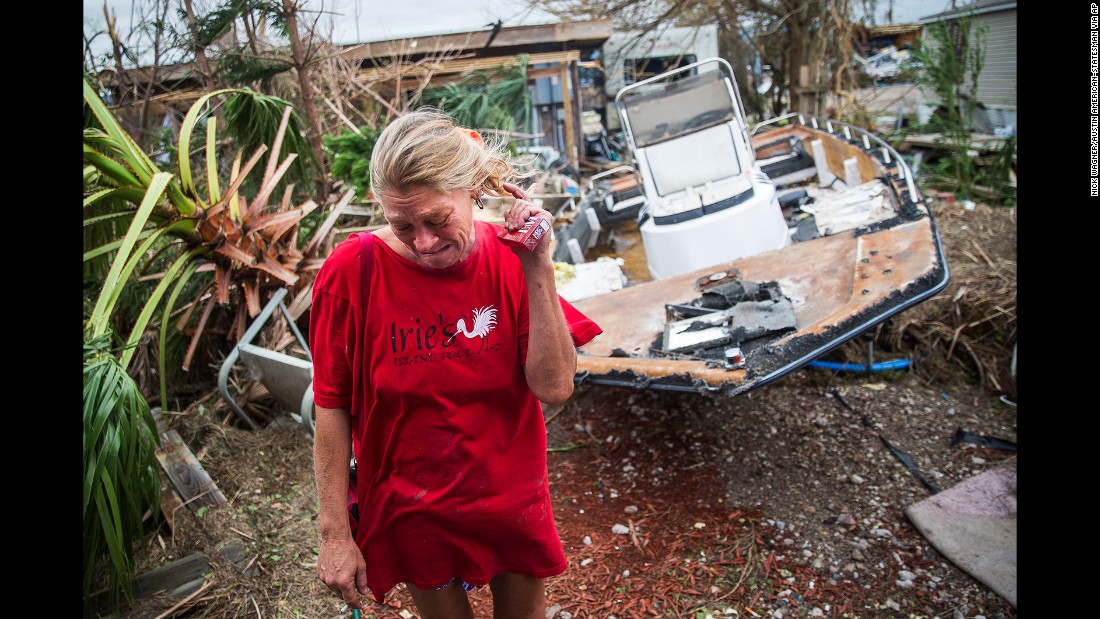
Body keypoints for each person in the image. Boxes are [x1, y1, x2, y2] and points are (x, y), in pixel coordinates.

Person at [309, 108, 602, 618]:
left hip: (509, 493)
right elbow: (331, 406)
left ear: (472, 190)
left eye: (437, 220)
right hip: (411, 503)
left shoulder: (512, 256)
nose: (423, 242)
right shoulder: (351, 273)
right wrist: (335, 532)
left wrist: (537, 261)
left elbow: (554, 386)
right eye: (403, 225)